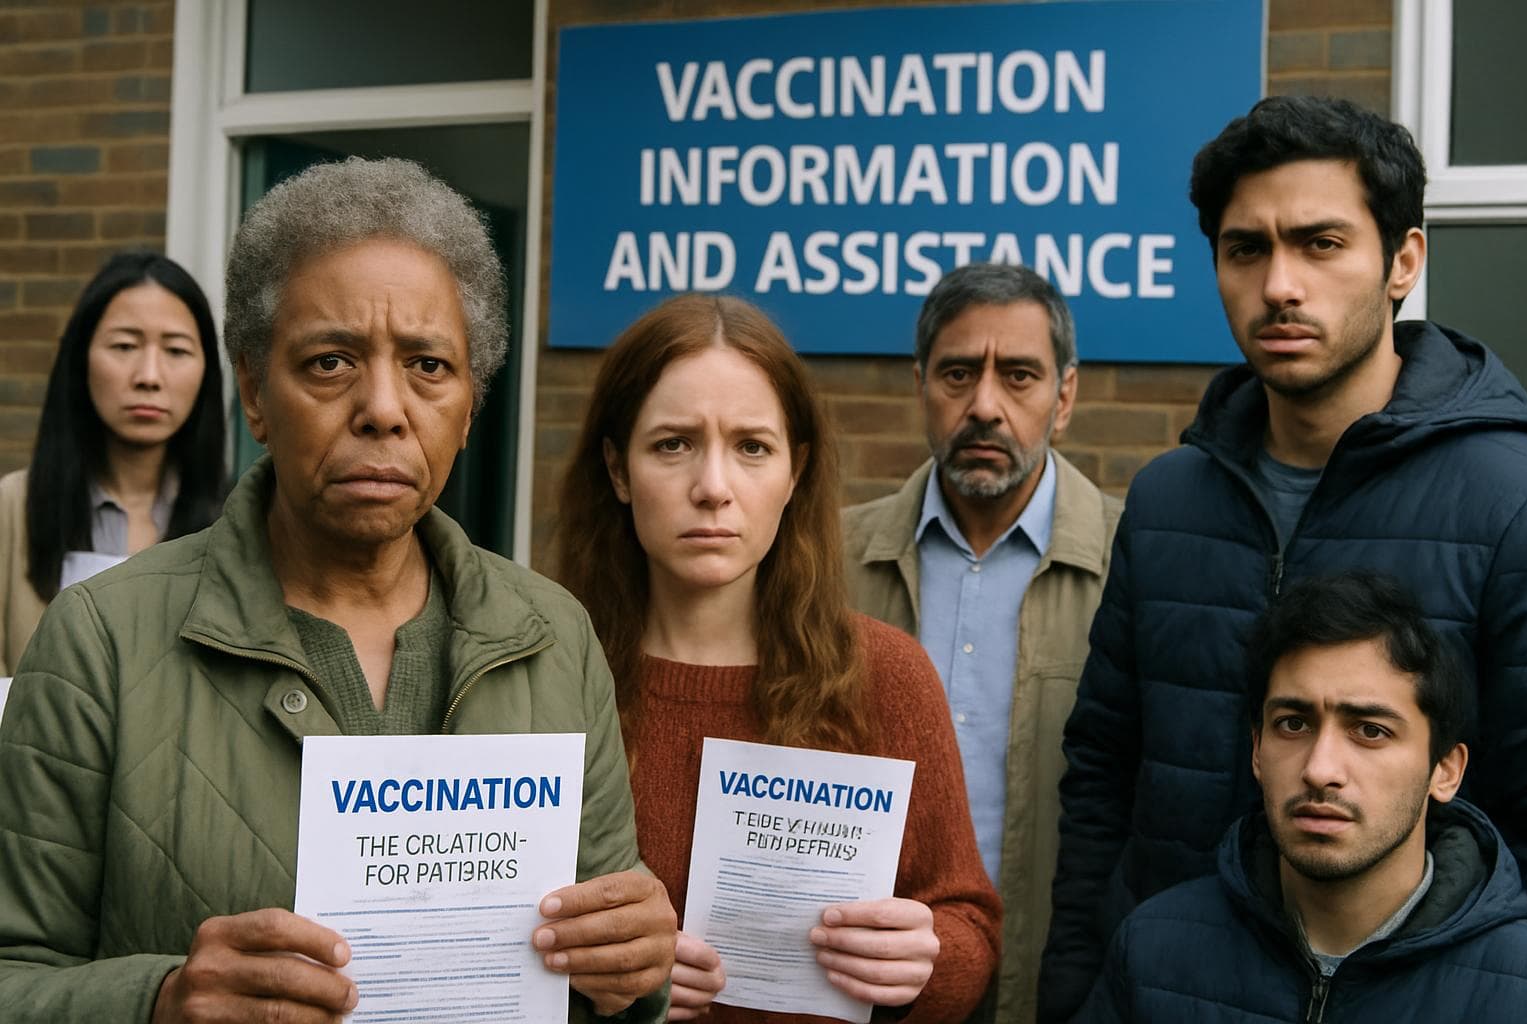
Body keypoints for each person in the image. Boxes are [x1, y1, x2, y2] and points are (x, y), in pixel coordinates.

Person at [0, 157, 673, 1022]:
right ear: (253, 393)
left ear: (470, 410)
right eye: (329, 362)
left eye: (430, 365)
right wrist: (158, 1002)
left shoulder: (553, 635)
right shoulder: (101, 640)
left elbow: (604, 964)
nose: (384, 408)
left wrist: (634, 970)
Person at [1041, 94, 1527, 1021]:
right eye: (1246, 249)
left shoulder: (1513, 500)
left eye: (1319, 243)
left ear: (1404, 261)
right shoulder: (1167, 499)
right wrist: (1076, 992)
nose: (1278, 285)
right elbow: (1104, 774)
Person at [556, 293, 1002, 1023]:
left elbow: (968, 931)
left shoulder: (885, 676)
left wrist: (928, 957)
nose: (713, 488)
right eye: (672, 444)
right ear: (616, 469)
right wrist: (599, 980)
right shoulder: (545, 675)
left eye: (751, 447)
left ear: (794, 473)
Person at [841, 262, 1119, 1022]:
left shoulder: (1133, 562)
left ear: (1064, 397)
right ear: (920, 385)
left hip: (1056, 988)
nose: (985, 406)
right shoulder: (828, 564)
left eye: (1020, 376)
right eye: (958, 373)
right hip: (863, 984)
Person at [1076, 572, 1527, 1021]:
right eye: (1293, 724)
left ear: (1446, 771)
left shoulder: (1519, 989)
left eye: (1370, 731)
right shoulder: (1152, 953)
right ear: (1256, 750)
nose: (1319, 769)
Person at [0, 251, 226, 675]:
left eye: (176, 350)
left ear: (206, 371)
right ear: (80, 359)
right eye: (124, 346)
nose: (149, 375)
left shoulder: (237, 520)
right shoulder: (11, 506)